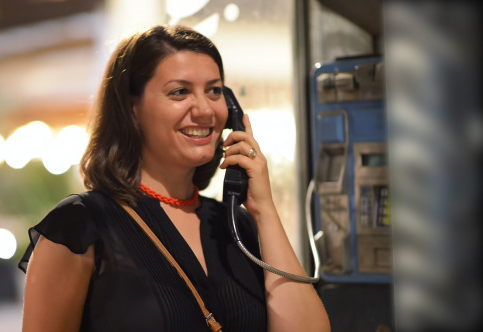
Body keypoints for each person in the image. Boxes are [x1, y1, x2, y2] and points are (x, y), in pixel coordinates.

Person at [19, 25, 330, 332]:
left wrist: (264, 210)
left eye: (214, 91)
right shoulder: (80, 224)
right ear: (132, 109)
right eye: (180, 92)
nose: (205, 109)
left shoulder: (235, 228)